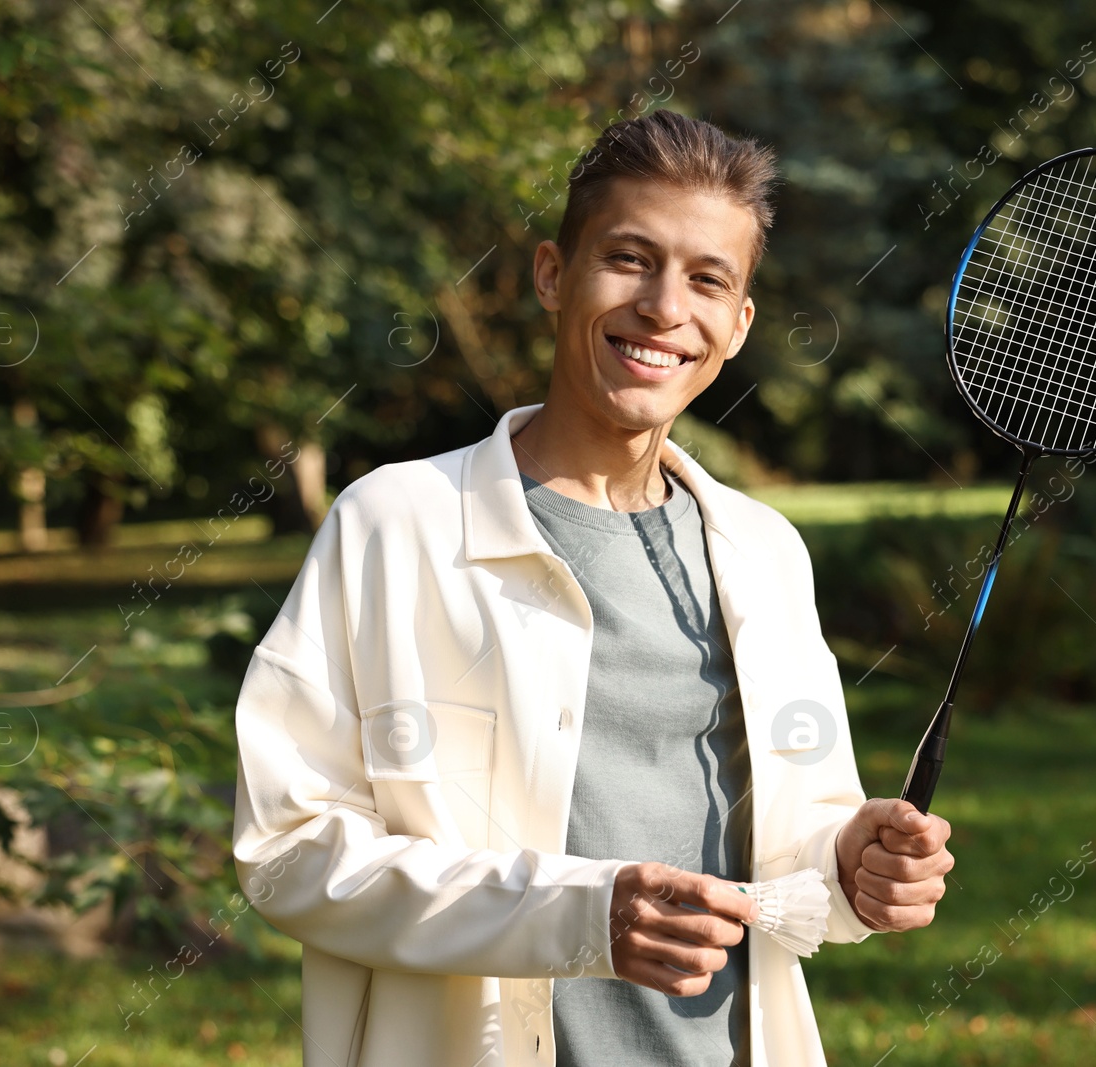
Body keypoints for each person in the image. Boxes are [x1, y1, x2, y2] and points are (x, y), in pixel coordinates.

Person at [231, 108, 954, 1067]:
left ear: (737, 326)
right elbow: (287, 850)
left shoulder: (766, 551)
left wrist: (852, 864)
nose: (664, 307)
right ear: (550, 274)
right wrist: (576, 915)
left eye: (707, 280)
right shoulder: (394, 524)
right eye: (629, 258)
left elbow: (796, 858)